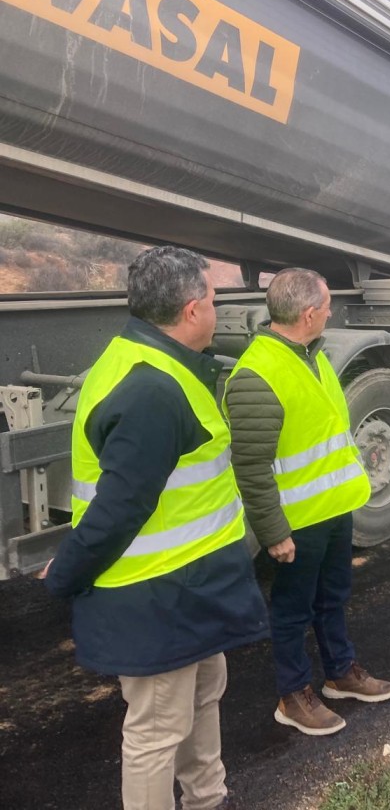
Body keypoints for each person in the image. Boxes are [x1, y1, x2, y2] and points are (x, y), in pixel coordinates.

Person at [42, 245, 269, 810]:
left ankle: (208, 798)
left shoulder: (150, 359)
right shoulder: (151, 390)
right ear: (192, 311)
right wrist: (63, 575)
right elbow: (120, 507)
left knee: (202, 698)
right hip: (157, 596)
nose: (218, 308)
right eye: (213, 299)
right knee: (156, 731)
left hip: (188, 588)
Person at [223, 267, 390, 736]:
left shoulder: (308, 355)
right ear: (307, 314)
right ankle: (293, 695)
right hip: (298, 521)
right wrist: (274, 531)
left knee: (333, 597)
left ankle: (340, 672)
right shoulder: (257, 376)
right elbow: (251, 466)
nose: (330, 312)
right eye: (325, 306)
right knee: (292, 608)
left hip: (332, 510)